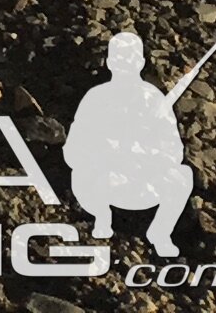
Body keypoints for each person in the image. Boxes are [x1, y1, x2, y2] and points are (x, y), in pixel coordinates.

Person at [67, 30, 198, 256]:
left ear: (140, 62)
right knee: (85, 176)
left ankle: (160, 232)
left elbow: (174, 150)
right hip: (104, 179)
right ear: (109, 62)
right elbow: (73, 150)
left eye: (130, 57)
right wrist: (106, 153)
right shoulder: (96, 98)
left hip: (143, 179)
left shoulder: (154, 99)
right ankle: (101, 217)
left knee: (182, 176)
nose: (124, 63)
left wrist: (147, 154)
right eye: (119, 57)